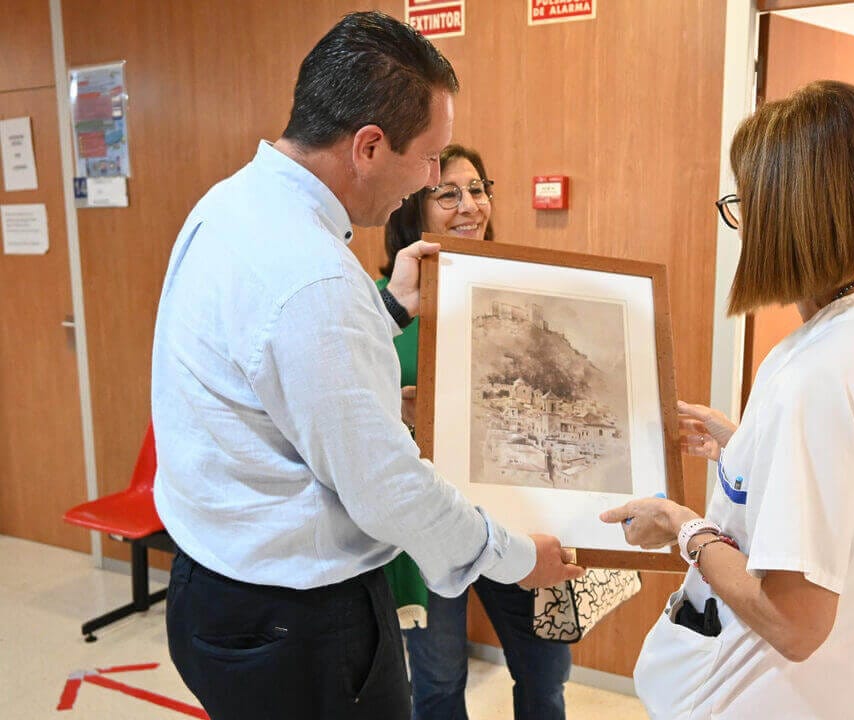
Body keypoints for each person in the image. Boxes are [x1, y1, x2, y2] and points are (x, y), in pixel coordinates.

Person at [151, 13, 583, 720]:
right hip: (298, 625)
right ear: (370, 146)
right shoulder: (315, 276)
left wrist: (385, 315)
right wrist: (515, 558)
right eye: (431, 159)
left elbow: (280, 373)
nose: (433, 180)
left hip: (215, 588)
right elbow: (388, 490)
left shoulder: (231, 204)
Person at [600, 80, 854, 719]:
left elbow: (795, 623)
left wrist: (683, 527)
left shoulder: (819, 369)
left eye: (744, 203)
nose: (741, 227)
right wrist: (747, 447)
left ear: (790, 216)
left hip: (755, 700)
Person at [379, 145, 572, 720]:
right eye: (448, 194)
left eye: (478, 189)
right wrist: (399, 410)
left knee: (546, 674)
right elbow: (351, 412)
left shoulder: (524, 296)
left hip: (518, 513)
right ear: (413, 209)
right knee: (438, 682)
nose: (469, 205)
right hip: (433, 526)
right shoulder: (384, 306)